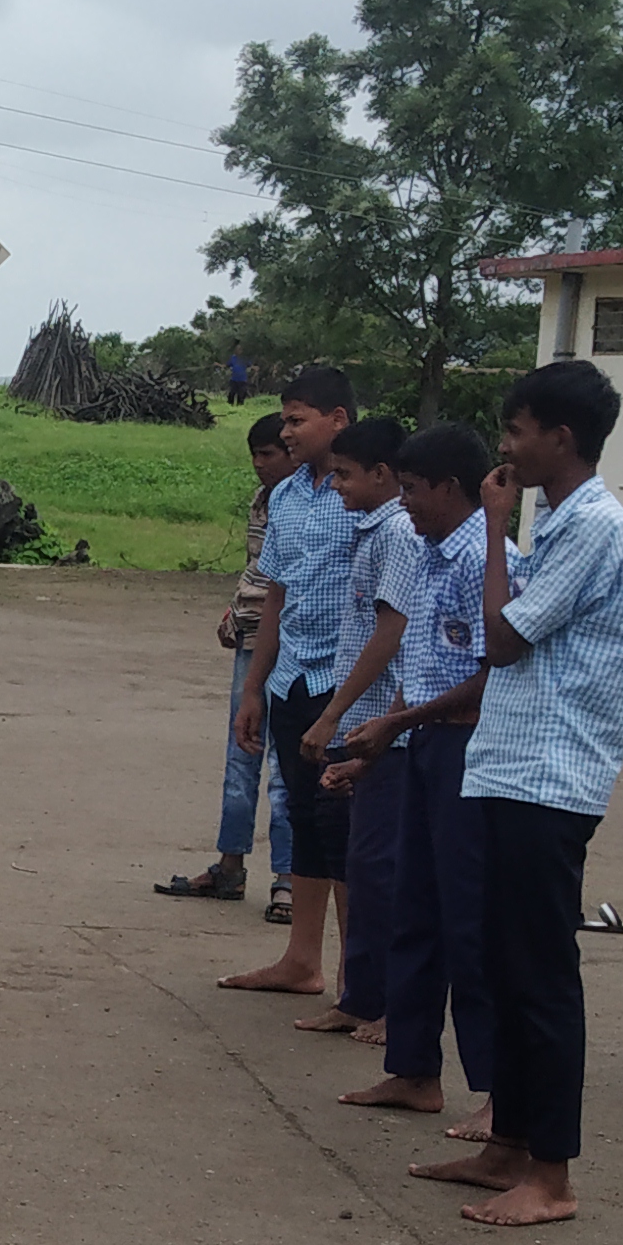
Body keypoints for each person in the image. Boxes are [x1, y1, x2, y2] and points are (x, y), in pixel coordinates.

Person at [409, 360, 623, 1228]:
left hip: (553, 775)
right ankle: (507, 1147)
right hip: (512, 765)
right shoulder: (567, 522)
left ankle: (554, 1176)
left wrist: (496, 529)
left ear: (561, 439)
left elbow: (503, 639)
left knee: (541, 975)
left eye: (515, 432)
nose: (504, 449)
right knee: (503, 964)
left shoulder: (592, 527)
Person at [322, 425, 494, 1120]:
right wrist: (381, 737)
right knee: (415, 909)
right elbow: (419, 664)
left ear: (449, 488)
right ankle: (414, 1069)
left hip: (468, 749)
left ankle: (497, 1094)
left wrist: (396, 723)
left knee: (469, 922)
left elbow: (490, 674)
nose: (408, 503)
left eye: (415, 491)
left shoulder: (487, 560)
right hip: (417, 740)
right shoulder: (427, 554)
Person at [219, 365, 359, 991]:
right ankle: (303, 959)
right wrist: (255, 686)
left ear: (338, 421)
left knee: (346, 827)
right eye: (286, 418)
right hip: (293, 675)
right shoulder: (288, 495)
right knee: (302, 814)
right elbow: (276, 593)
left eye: (298, 419)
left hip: (348, 681)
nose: (287, 430)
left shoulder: (368, 494)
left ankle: (362, 979)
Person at [292, 416, 417, 1041]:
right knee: (358, 864)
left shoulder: (397, 533)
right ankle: (360, 995)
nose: (335, 486)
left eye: (343, 475)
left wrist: (335, 713)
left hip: (382, 725)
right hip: (364, 719)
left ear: (381, 474)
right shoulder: (372, 530)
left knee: (381, 868)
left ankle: (391, 1002)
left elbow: (391, 633)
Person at [156, 412, 295, 905]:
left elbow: (286, 583)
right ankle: (231, 862)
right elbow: (258, 572)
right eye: (255, 456)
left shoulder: (310, 504)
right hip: (252, 637)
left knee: (285, 765)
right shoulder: (264, 501)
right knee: (242, 752)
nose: (260, 465)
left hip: (293, 642)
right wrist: (236, 612)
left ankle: (288, 877)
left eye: (269, 455)